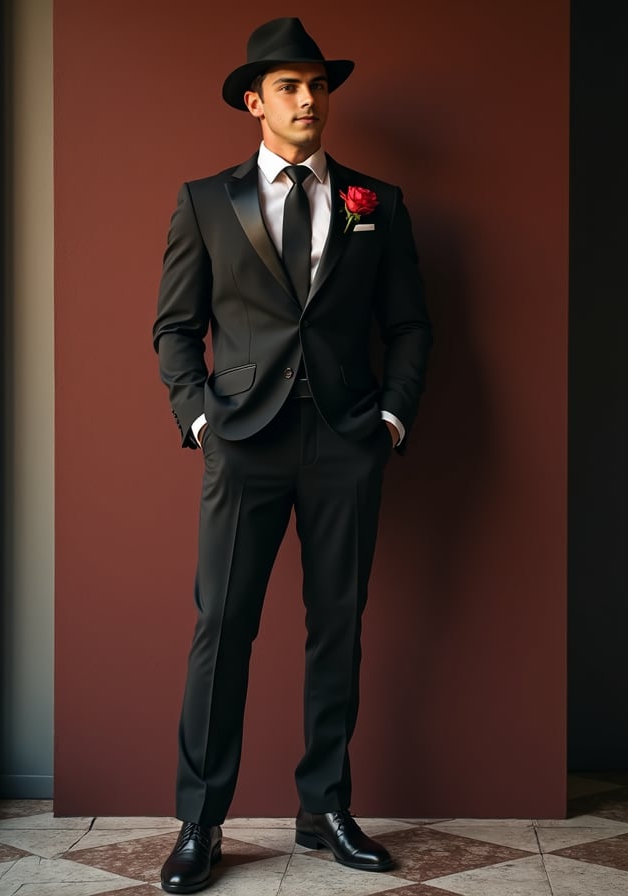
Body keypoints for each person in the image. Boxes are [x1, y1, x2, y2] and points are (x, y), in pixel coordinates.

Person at [152, 16, 432, 894]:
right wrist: (199, 420)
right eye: (288, 86)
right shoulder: (205, 201)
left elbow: (411, 325)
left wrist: (389, 419)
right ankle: (200, 824)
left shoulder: (375, 203)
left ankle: (324, 810)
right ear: (253, 101)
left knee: (337, 631)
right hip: (245, 443)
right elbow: (173, 327)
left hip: (346, 443)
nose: (309, 100)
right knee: (221, 632)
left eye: (317, 85)